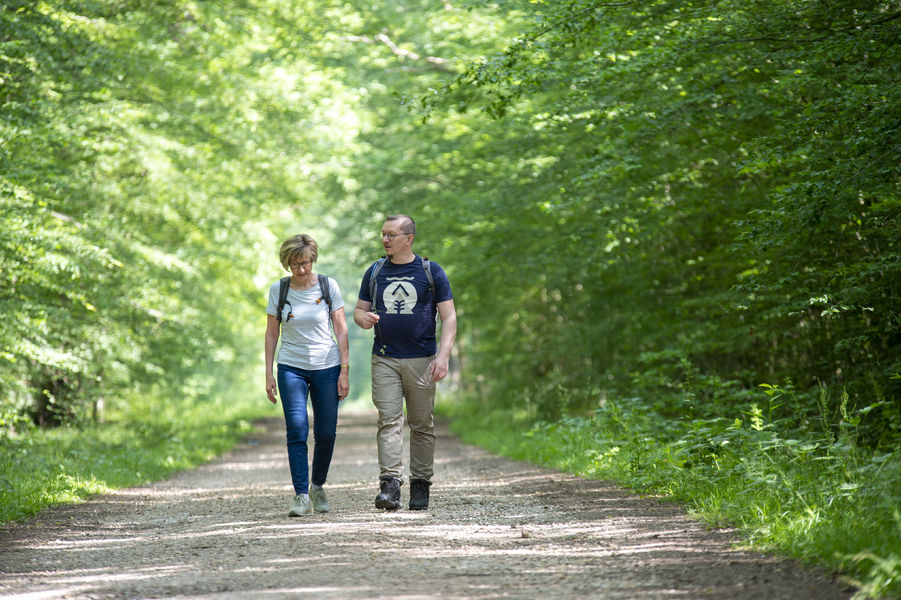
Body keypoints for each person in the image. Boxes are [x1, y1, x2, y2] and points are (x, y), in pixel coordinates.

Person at [353, 214, 457, 511]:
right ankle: (390, 486)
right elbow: (359, 311)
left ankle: (421, 485)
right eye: (383, 234)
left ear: (408, 239)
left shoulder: (430, 271)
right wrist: (363, 318)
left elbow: (449, 317)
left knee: (422, 424)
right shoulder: (374, 272)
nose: (384, 239)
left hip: (423, 359)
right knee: (389, 420)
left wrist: (444, 356)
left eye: (391, 235)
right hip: (384, 357)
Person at [265, 234, 350, 517]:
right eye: (294, 264)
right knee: (297, 429)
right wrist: (268, 372)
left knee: (326, 433)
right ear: (287, 263)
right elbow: (271, 333)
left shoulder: (328, 286)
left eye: (305, 263)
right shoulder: (279, 289)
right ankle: (301, 495)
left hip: (327, 365)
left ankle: (317, 485)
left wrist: (345, 370)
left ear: (313, 259)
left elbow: (341, 329)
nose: (301, 269)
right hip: (291, 366)